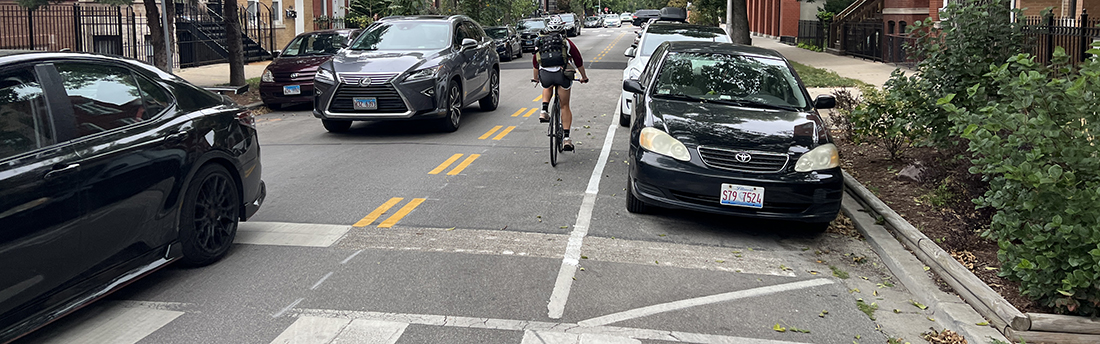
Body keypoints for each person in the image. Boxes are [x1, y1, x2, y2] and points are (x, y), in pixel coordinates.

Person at [531, 15, 589, 151]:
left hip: (545, 75)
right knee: (564, 106)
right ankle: (567, 139)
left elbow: (535, 61)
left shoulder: (540, 42)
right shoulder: (567, 42)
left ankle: (544, 110)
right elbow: (578, 60)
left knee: (547, 86)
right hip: (562, 75)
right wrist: (584, 77)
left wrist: (536, 78)